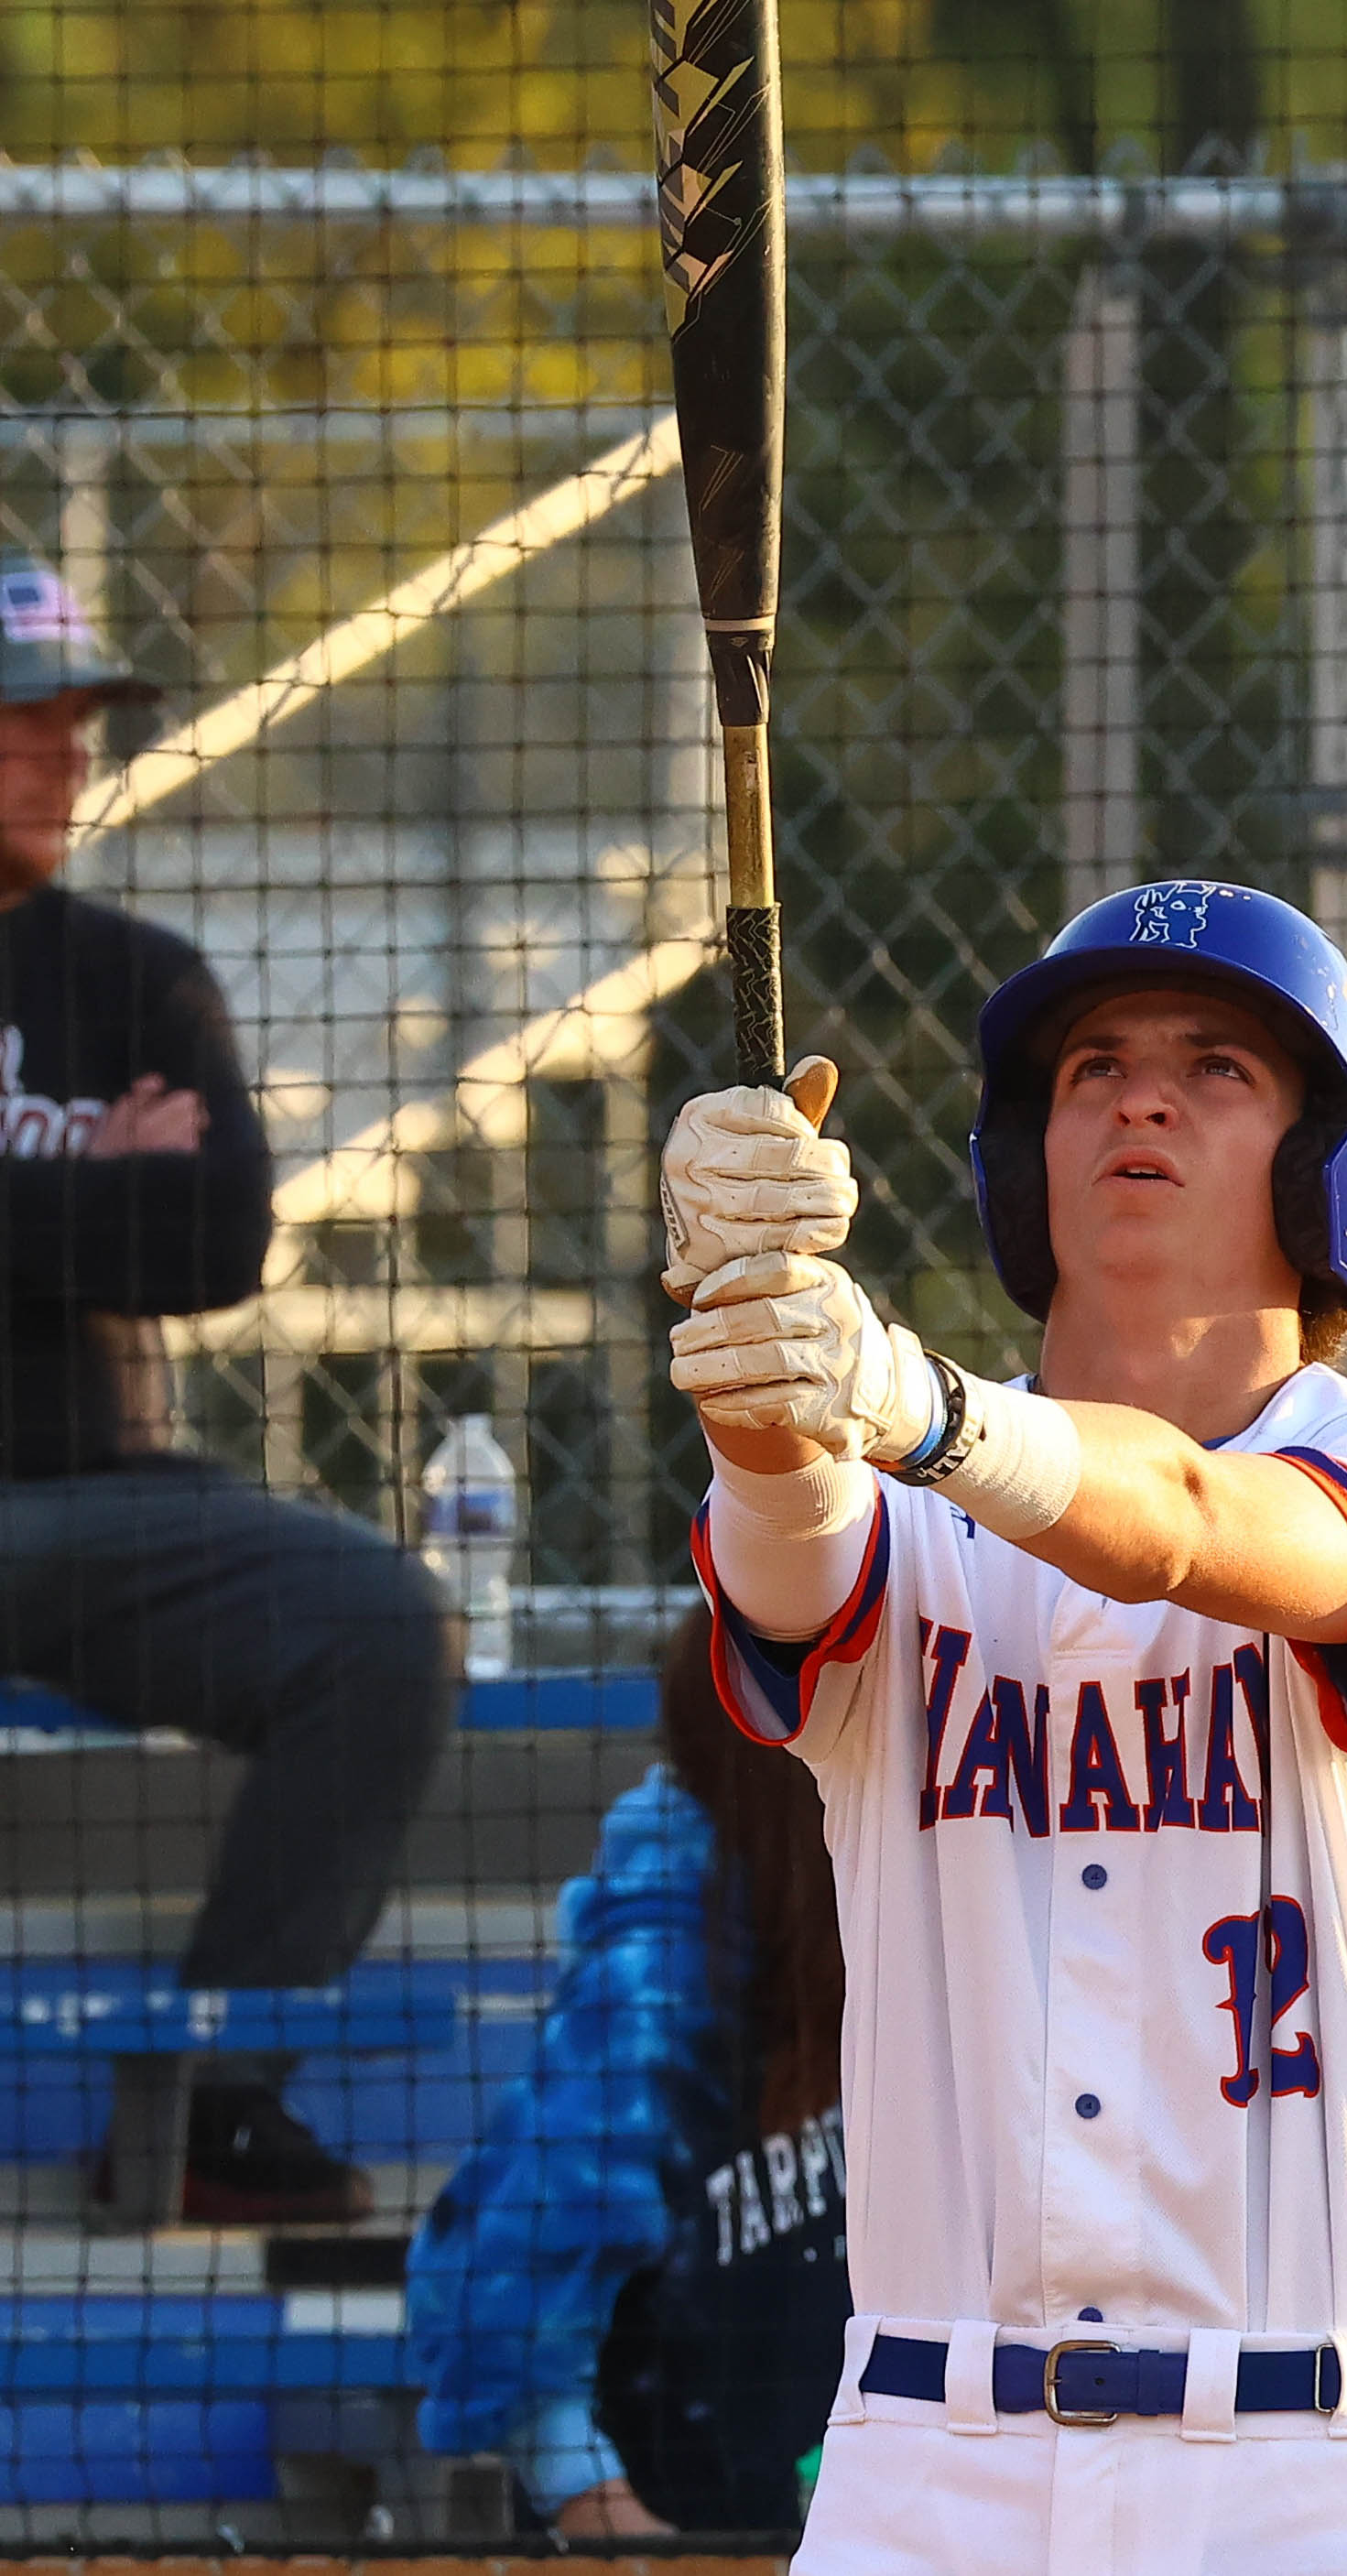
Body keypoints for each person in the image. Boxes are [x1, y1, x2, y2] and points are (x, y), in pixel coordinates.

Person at [657, 878, 1347, 2576]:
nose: (1140, 1094)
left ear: (1329, 1176)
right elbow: (784, 1536)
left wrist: (909, 1396)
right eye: (1091, 1067)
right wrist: (748, 1352)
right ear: (1020, 1164)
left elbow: (1205, 1517)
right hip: (923, 2458)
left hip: (1283, 2467)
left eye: (1218, 1065)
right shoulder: (901, 1521)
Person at [0, 548, 455, 2223]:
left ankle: (215, 2104)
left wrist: (99, 1204)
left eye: (76, 724)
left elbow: (215, 1240)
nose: (64, 756)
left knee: (381, 1624)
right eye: (21, 722)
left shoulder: (134, 973)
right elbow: (141, 1217)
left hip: (118, 1503)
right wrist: (87, 1187)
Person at [407, 1607, 851, 2537]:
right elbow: (502, 2265)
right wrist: (601, 2508)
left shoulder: (914, 1908)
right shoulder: (653, 1973)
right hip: (678, 2504)